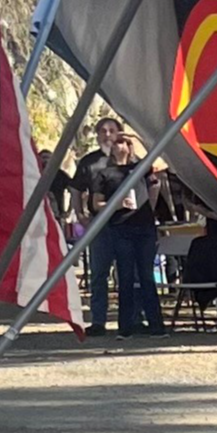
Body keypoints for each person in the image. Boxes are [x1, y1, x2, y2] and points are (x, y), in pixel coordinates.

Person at [70, 116, 163, 337]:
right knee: (99, 273)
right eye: (103, 131)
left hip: (132, 226)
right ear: (97, 134)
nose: (108, 135)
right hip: (101, 224)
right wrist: (82, 215)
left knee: (134, 274)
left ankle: (136, 318)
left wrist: (146, 209)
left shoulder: (138, 163)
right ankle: (99, 320)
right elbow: (77, 190)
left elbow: (155, 183)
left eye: (113, 131)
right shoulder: (90, 162)